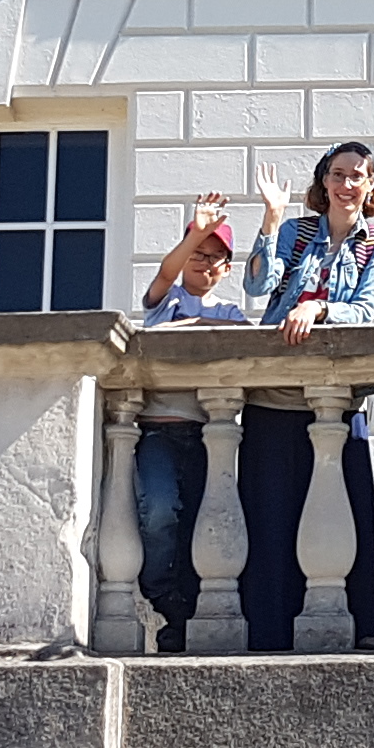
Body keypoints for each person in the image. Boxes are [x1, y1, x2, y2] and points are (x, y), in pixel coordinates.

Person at [235, 141, 374, 650]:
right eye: (338, 174)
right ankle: (269, 638)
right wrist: (270, 218)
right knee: (271, 520)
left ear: (370, 185)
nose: (347, 185)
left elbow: (364, 310)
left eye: (358, 176)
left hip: (338, 402)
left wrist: (318, 308)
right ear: (324, 181)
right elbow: (259, 286)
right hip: (274, 398)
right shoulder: (296, 232)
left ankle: (350, 633)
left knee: (344, 520)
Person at [129, 199, 249, 653]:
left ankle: (182, 610)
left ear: (227, 268)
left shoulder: (230, 313)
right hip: (158, 431)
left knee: (199, 522)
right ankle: (159, 593)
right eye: (198, 252)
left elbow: (244, 340)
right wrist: (196, 232)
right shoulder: (167, 301)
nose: (204, 261)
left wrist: (195, 324)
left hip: (205, 436)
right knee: (160, 510)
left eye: (215, 255)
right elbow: (164, 275)